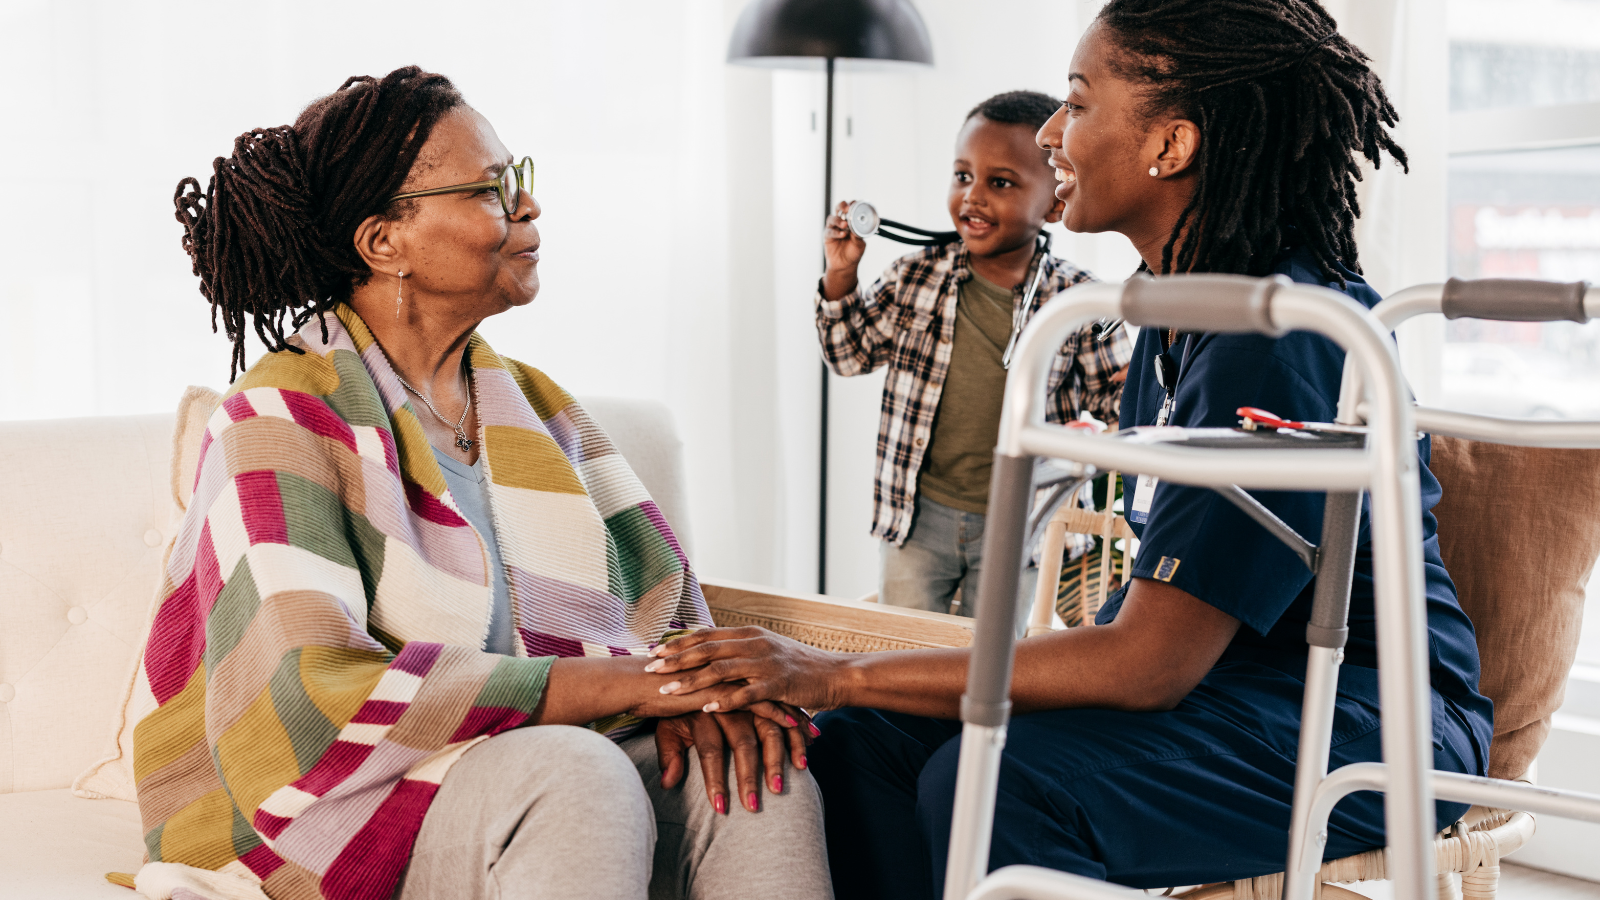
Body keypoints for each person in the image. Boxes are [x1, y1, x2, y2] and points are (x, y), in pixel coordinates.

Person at [645, 4, 1494, 898]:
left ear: (1171, 145)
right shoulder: (1167, 309)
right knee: (866, 748)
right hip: (1226, 691)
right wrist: (847, 692)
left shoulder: (1277, 336)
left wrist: (840, 672)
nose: (1052, 133)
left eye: (1078, 106)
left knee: (998, 780)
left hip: (1374, 721)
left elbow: (1147, 664)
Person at [133, 68, 830, 900]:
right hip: (338, 803)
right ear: (382, 241)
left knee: (759, 779)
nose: (528, 209)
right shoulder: (277, 418)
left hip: (517, 770)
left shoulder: (541, 410)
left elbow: (664, 619)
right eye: (492, 189)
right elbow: (304, 696)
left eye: (519, 179)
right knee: (573, 769)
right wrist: (635, 684)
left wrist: (700, 691)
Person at [817, 90, 1132, 620]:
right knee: (907, 649)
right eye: (963, 176)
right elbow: (849, 355)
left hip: (1020, 524)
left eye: (1000, 182)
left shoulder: (1079, 301)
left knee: (992, 663)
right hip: (916, 518)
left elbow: (1123, 405)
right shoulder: (915, 274)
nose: (973, 198)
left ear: (1055, 202)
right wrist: (841, 274)